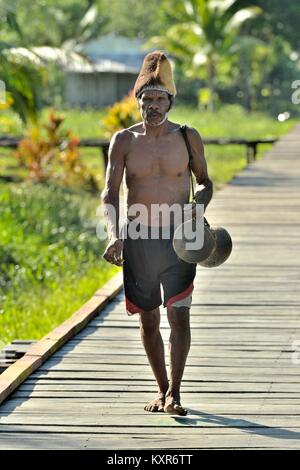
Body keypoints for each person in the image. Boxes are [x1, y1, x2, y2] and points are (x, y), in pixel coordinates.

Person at [101, 50, 213, 416]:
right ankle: (162, 389)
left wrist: (198, 209)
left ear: (170, 101)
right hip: (138, 239)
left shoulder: (187, 136)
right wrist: (114, 234)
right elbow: (109, 192)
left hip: (179, 238)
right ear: (137, 102)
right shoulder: (124, 141)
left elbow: (205, 183)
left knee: (179, 315)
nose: (152, 105)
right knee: (148, 318)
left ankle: (176, 394)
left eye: (159, 98)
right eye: (146, 99)